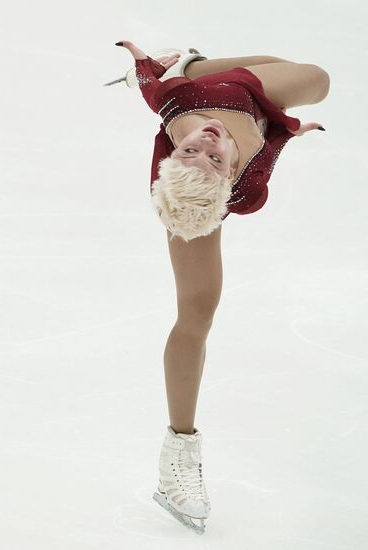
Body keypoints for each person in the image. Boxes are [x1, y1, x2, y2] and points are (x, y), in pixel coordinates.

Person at [112, 40, 330, 534]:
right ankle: (178, 457)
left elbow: (155, 92)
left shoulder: (187, 108)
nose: (206, 140)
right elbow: (258, 145)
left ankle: (192, 62)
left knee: (317, 79)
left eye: (195, 150)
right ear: (231, 175)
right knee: (198, 312)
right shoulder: (222, 183)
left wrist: (151, 69)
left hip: (219, 99)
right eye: (210, 154)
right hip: (194, 200)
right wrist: (287, 131)